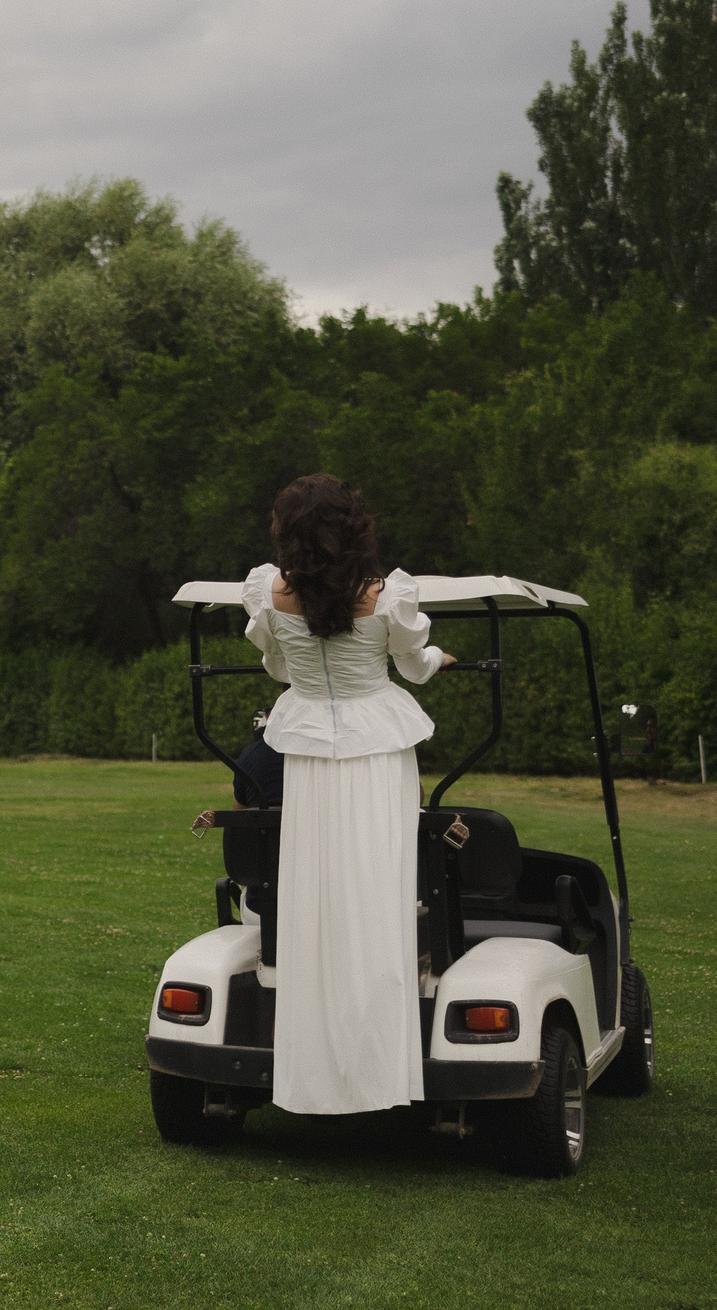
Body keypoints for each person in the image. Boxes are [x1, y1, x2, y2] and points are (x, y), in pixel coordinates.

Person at [241, 472, 453, 1115]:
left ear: (289, 534)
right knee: (377, 904)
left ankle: (315, 1077)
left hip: (310, 760)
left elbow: (278, 667)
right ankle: (378, 1075)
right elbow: (415, 666)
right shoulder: (390, 596)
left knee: (316, 907)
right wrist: (440, 657)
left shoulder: (269, 593)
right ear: (355, 529)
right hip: (377, 759)